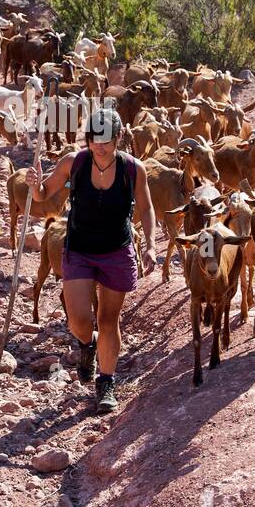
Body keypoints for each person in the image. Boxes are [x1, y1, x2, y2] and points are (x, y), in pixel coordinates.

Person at [25, 105, 157, 414]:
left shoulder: (133, 169)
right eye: (94, 139)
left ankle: (106, 381)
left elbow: (148, 208)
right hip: (80, 249)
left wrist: (150, 244)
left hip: (116, 250)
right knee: (80, 321)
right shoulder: (74, 163)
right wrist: (35, 185)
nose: (99, 146)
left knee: (109, 319)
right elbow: (44, 195)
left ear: (118, 138)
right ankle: (86, 345)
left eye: (106, 140)